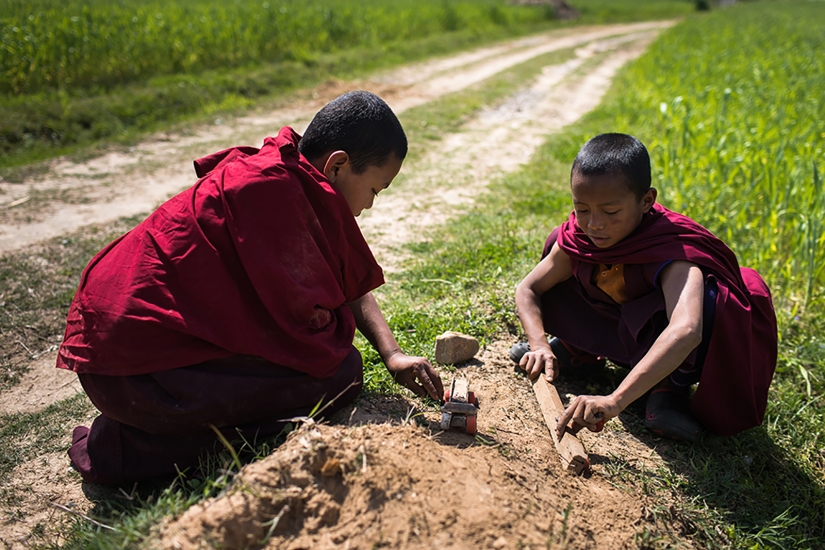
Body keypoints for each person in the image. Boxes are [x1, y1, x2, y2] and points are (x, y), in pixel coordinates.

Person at [57, 90, 444, 485]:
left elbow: (342, 283)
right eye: (375, 190)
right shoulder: (276, 193)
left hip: (117, 356)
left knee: (337, 363)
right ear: (338, 165)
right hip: (131, 374)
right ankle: (130, 449)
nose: (370, 205)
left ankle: (148, 431)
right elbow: (309, 332)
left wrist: (392, 354)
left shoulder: (291, 170)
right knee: (337, 374)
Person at [512, 133, 776, 442]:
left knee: (710, 299)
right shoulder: (580, 235)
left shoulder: (671, 247)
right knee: (560, 242)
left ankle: (668, 387)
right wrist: (539, 344)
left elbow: (687, 329)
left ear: (646, 201)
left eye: (611, 212)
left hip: (664, 341)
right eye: (582, 208)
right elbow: (528, 288)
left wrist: (615, 400)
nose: (594, 224)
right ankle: (575, 349)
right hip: (618, 324)